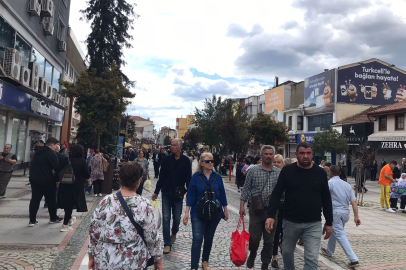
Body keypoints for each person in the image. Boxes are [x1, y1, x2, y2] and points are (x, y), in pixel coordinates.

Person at [265, 142, 333, 270]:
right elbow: (277, 193)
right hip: (290, 221)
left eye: (308, 153)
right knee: (286, 253)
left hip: (313, 223)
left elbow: (326, 198)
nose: (305, 156)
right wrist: (270, 216)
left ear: (312, 154)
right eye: (302, 153)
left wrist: (329, 222)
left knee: (312, 258)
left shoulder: (320, 173)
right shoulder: (287, 171)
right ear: (296, 154)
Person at [88, 162, 163, 270]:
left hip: (106, 260)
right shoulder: (144, 205)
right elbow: (151, 236)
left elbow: (94, 231)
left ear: (120, 179)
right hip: (133, 261)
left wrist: (91, 256)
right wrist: (158, 260)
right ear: (139, 181)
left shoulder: (105, 201)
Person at [183, 152, 229, 270]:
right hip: (198, 212)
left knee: (208, 238)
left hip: (214, 213)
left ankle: (205, 261)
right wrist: (187, 212)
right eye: (208, 161)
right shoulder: (196, 177)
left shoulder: (217, 177)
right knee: (197, 239)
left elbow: (222, 194)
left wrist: (225, 209)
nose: (210, 163)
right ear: (202, 163)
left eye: (212, 161)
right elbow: (191, 195)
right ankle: (194, 267)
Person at [240, 145, 281, 270]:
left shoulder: (279, 173)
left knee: (269, 241)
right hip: (256, 210)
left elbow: (284, 191)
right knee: (254, 238)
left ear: (273, 156)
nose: (268, 156)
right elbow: (246, 189)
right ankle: (252, 253)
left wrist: (275, 194)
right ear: (262, 156)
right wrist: (242, 206)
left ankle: (265, 263)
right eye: (266, 154)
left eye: (270, 154)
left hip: (272, 211)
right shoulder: (253, 171)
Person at [152, 139, 192, 254]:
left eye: (174, 145)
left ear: (180, 147)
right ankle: (167, 244)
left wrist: (189, 193)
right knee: (166, 218)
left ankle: (174, 231)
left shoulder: (185, 161)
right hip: (166, 193)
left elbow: (188, 178)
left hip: (178, 194)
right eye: (172, 145)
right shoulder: (166, 160)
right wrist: (156, 191)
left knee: (177, 218)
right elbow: (161, 177)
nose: (172, 147)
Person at [320, 165, 361, 268]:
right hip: (345, 213)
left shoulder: (330, 183)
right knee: (336, 231)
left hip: (335, 213)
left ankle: (353, 259)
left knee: (341, 235)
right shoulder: (347, 185)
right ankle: (329, 251)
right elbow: (354, 201)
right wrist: (356, 216)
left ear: (330, 173)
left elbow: (323, 197)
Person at [28, 137, 63, 226]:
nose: (57, 146)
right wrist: (57, 180)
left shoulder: (38, 152)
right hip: (48, 180)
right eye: (56, 145)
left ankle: (32, 220)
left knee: (35, 200)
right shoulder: (51, 154)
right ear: (52, 145)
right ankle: (53, 217)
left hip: (35, 179)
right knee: (51, 200)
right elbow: (56, 168)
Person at [57, 144, 91, 232]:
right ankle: (65, 225)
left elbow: (57, 169)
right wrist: (89, 181)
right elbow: (86, 173)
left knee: (66, 204)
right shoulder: (81, 161)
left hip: (64, 185)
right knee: (70, 205)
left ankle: (69, 219)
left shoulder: (66, 159)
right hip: (76, 186)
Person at [271, 154, 284, 269]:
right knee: (275, 233)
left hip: (286, 209)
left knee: (285, 233)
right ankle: (274, 257)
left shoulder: (287, 175)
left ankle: (283, 247)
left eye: (278, 162)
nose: (276, 164)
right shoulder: (271, 175)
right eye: (274, 162)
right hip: (275, 209)